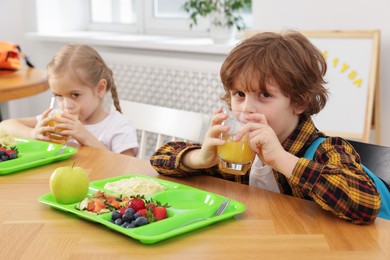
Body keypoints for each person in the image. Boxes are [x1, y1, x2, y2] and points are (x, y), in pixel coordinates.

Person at [150, 30, 381, 224]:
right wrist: (201, 158)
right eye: (239, 94)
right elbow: (159, 158)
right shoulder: (239, 148)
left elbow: (366, 202)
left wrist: (282, 159)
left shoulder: (326, 150)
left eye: (264, 95)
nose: (247, 108)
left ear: (299, 101)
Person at [0, 44, 138, 156]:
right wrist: (32, 133)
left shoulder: (118, 126)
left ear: (100, 88)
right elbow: (5, 125)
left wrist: (86, 137)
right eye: (59, 96)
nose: (66, 106)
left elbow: (127, 169)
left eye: (75, 95)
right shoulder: (58, 120)